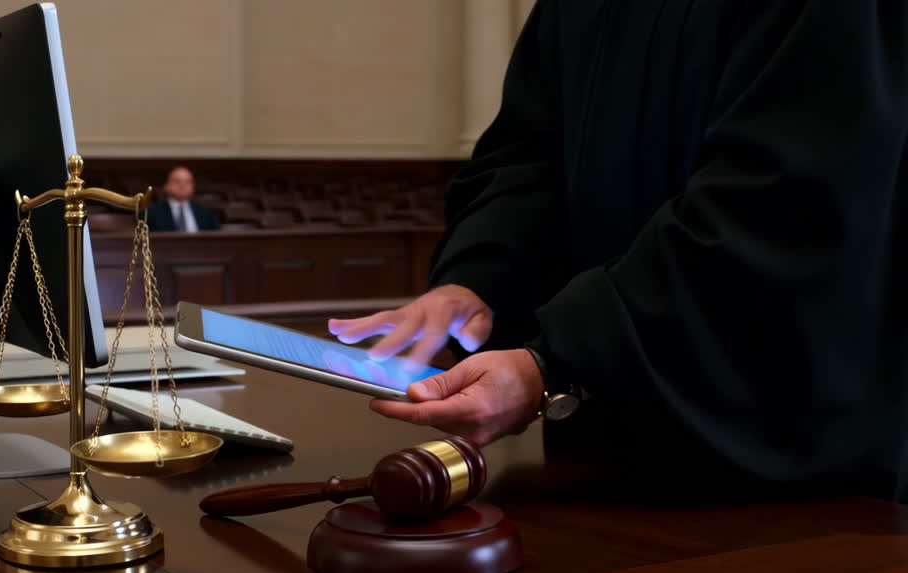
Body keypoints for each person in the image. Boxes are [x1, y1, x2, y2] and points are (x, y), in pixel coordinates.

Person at [329, 1, 907, 501]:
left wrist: (559, 359)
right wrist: (477, 279)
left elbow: (784, 201)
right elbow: (529, 156)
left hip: (789, 454)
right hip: (601, 446)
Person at [147, 166, 221, 232]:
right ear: (166, 185)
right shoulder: (152, 213)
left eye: (187, 182)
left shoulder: (205, 213)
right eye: (177, 181)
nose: (182, 185)